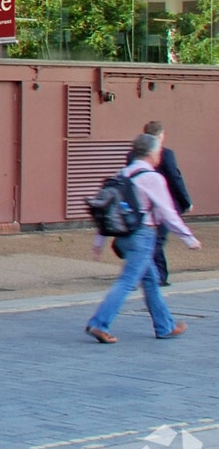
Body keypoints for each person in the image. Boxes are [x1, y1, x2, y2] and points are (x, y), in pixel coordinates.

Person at [86, 132, 202, 344]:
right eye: (158, 151)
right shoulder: (153, 178)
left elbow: (107, 210)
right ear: (151, 153)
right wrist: (188, 238)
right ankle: (99, 323)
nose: (160, 155)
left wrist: (99, 242)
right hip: (143, 235)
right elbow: (167, 212)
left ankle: (165, 326)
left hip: (124, 237)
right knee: (127, 281)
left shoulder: (122, 174)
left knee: (150, 280)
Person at [117, 120, 192, 286]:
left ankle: (155, 275)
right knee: (156, 241)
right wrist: (186, 201)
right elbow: (175, 178)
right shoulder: (167, 154)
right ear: (160, 135)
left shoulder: (131, 155)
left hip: (139, 206)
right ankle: (154, 275)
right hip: (162, 204)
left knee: (151, 241)